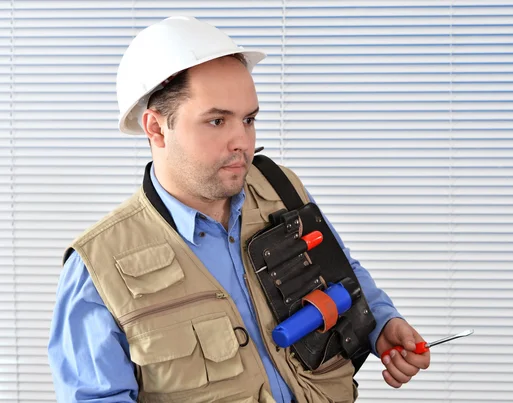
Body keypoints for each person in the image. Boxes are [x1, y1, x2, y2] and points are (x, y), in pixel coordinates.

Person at [48, 16, 430, 403]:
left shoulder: (282, 189)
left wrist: (381, 322)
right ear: (157, 128)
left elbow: (340, 270)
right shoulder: (98, 267)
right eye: (217, 121)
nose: (241, 142)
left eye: (248, 119)